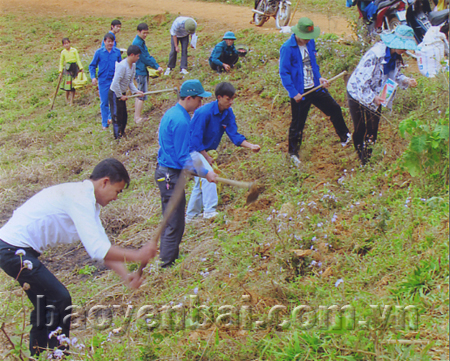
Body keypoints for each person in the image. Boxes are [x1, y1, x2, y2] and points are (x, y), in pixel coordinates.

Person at [0, 158, 157, 357]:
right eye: (118, 191)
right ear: (105, 182)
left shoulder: (88, 202)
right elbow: (99, 250)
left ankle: (38, 354)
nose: (116, 198)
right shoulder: (80, 199)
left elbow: (102, 248)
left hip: (15, 249)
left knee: (44, 303)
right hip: (13, 249)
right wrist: (138, 255)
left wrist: (126, 275)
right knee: (59, 298)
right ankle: (57, 354)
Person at [155, 79, 217, 268]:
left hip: (165, 172)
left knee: (171, 218)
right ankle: (166, 263)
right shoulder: (181, 121)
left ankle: (170, 256)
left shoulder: (172, 113)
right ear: (189, 98)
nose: (201, 104)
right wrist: (206, 173)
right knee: (175, 221)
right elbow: (183, 158)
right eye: (199, 100)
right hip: (169, 176)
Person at [279, 18, 351, 166]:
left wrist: (319, 79)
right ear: (298, 33)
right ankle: (293, 154)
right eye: (305, 37)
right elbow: (284, 72)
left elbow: (313, 64)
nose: (307, 40)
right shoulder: (287, 48)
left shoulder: (310, 43)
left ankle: (345, 138)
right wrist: (293, 93)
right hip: (300, 92)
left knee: (335, 109)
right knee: (297, 124)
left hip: (314, 87)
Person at [186, 82, 260, 221]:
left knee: (200, 181)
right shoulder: (203, 113)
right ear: (219, 97)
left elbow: (234, 134)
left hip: (204, 150)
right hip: (192, 150)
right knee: (209, 176)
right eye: (228, 99)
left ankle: (191, 216)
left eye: (233, 99)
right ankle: (209, 211)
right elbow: (195, 140)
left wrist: (250, 146)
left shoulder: (227, 113)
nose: (231, 102)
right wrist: (206, 157)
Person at [347, 25, 418, 165]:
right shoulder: (375, 55)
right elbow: (361, 81)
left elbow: (396, 75)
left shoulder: (396, 57)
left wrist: (407, 80)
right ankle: (360, 154)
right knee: (360, 128)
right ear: (395, 42)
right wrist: (373, 97)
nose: (404, 50)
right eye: (403, 47)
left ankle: (365, 162)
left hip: (378, 96)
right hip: (358, 93)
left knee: (373, 130)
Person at [109, 45, 144, 139]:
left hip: (122, 93)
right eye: (137, 56)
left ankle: (122, 133)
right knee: (117, 116)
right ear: (132, 55)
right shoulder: (122, 66)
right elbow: (115, 82)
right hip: (115, 93)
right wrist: (120, 96)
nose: (138, 58)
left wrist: (136, 91)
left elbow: (130, 81)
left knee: (124, 115)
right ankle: (117, 137)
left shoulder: (133, 66)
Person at [132, 23, 164, 124]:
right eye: (143, 33)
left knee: (139, 93)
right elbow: (145, 57)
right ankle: (137, 117)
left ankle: (136, 116)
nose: (145, 35)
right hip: (140, 70)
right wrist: (156, 66)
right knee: (142, 94)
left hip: (140, 69)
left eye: (147, 33)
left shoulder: (140, 41)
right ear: (138, 32)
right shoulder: (138, 43)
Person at [89, 33, 122, 130]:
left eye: (112, 42)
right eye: (108, 41)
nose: (110, 43)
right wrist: (93, 77)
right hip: (103, 81)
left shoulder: (117, 52)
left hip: (114, 80)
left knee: (115, 101)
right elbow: (92, 66)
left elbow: (120, 66)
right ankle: (105, 123)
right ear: (104, 42)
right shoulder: (99, 52)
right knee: (104, 102)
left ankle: (113, 119)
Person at [59, 38, 83, 106]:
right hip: (67, 68)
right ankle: (66, 99)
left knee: (73, 86)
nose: (66, 45)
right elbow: (61, 63)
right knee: (67, 86)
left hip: (74, 68)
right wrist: (60, 71)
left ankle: (71, 101)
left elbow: (78, 59)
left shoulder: (74, 50)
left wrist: (81, 68)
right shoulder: (63, 52)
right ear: (63, 45)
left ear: (70, 43)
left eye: (67, 43)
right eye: (65, 44)